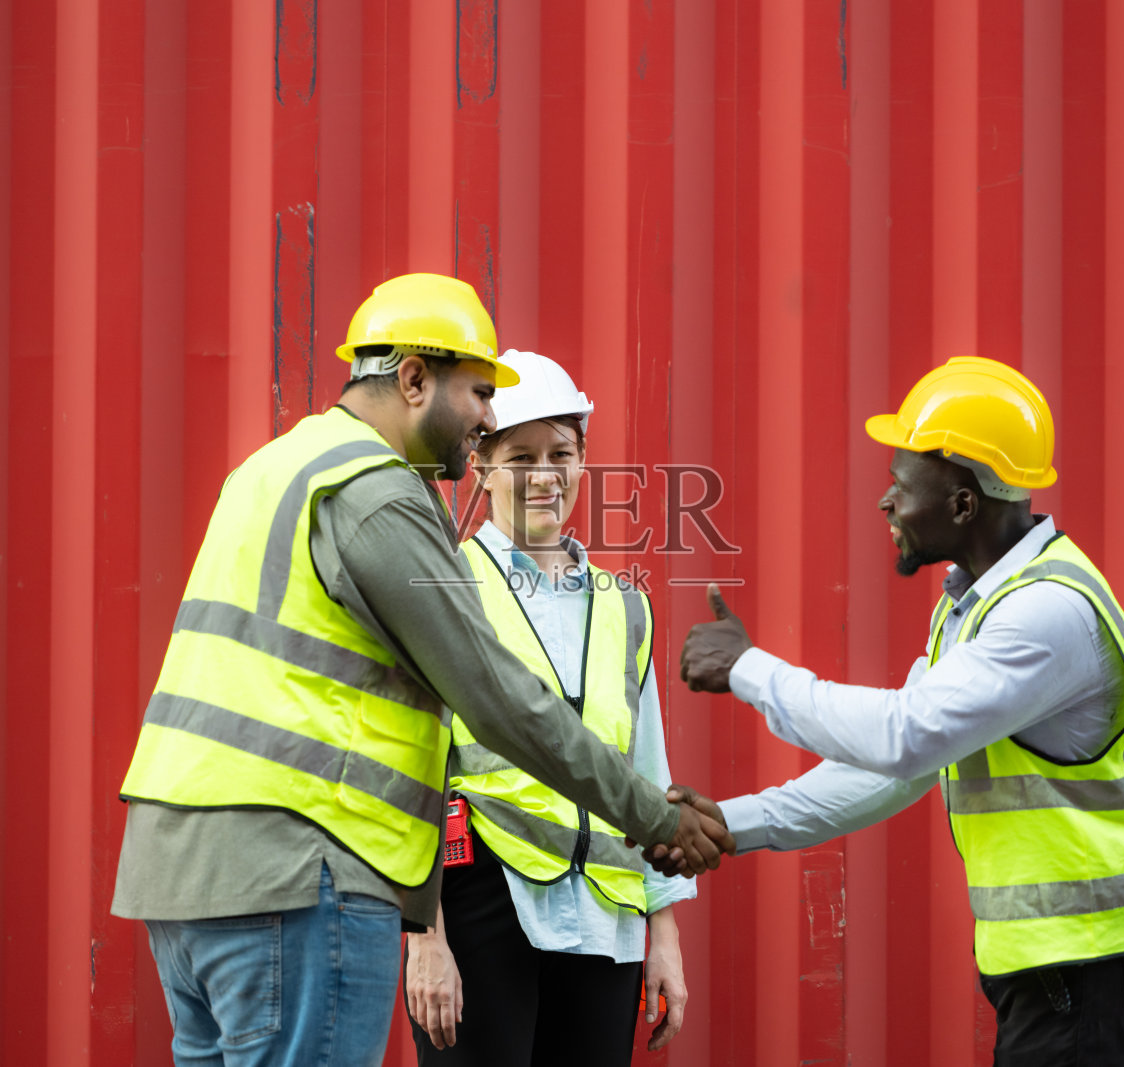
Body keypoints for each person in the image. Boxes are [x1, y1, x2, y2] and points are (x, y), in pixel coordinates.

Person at [111, 273, 731, 1067]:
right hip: (299, 871)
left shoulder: (274, 469)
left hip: (186, 874)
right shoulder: (378, 492)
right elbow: (499, 700)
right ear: (412, 378)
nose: (481, 418)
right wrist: (659, 818)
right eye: (478, 394)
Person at [671, 356, 1124, 1066]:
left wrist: (748, 668)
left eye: (899, 485)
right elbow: (900, 767)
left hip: (1097, 959)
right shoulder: (976, 607)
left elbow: (904, 738)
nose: (885, 504)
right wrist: (736, 823)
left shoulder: (1045, 614)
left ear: (962, 503)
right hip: (1065, 962)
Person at [403, 351, 695, 1065]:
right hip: (484, 902)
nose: (543, 475)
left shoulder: (625, 604)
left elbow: (646, 770)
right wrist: (425, 938)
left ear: (584, 459)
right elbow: (411, 767)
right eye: (520, 455)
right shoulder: (449, 585)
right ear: (483, 465)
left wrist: (665, 936)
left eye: (560, 453)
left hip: (606, 919)